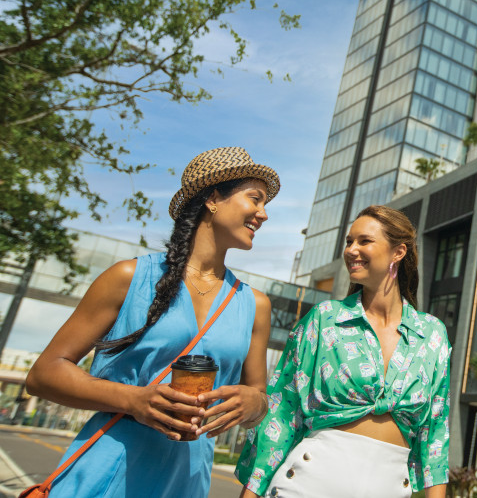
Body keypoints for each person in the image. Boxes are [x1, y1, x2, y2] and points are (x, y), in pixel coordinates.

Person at [26, 146, 278, 497]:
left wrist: (255, 404)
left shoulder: (255, 304)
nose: (263, 214)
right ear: (213, 197)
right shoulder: (128, 277)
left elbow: (259, 394)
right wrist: (133, 400)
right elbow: (44, 374)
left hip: (188, 479)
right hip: (108, 470)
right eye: (256, 199)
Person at [236, 205, 451, 498]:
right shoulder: (324, 319)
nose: (351, 250)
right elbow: (282, 413)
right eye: (349, 241)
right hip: (303, 486)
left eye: (364, 241)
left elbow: (435, 435)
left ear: (398, 252)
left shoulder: (432, 335)